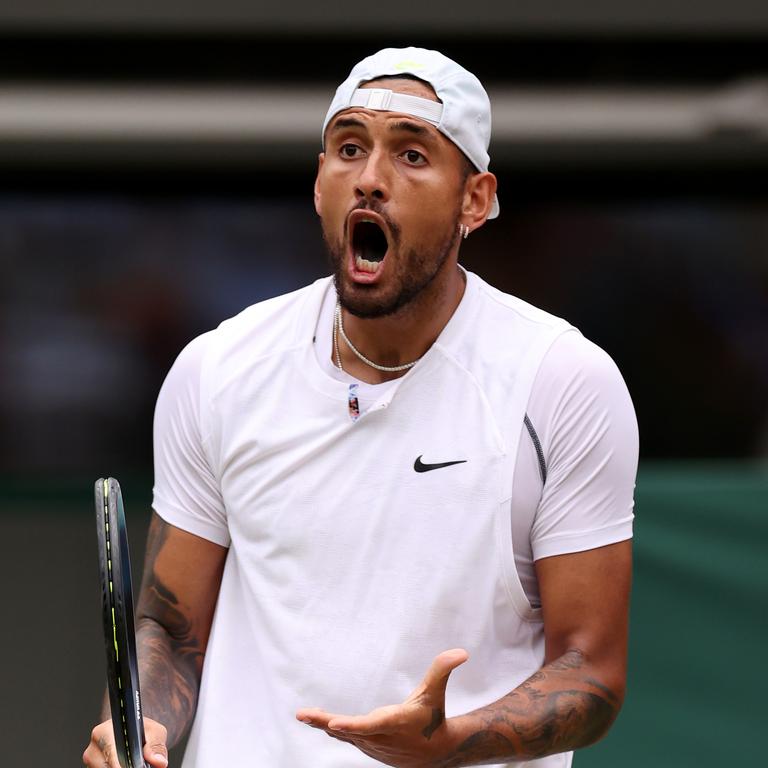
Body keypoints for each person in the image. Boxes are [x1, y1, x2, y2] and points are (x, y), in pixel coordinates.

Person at [83, 46, 638, 768]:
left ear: (474, 199)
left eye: (412, 156)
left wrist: (451, 742)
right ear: (321, 182)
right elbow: (167, 626)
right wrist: (140, 727)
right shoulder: (218, 370)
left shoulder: (564, 383)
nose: (370, 179)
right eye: (349, 148)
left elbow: (592, 673)